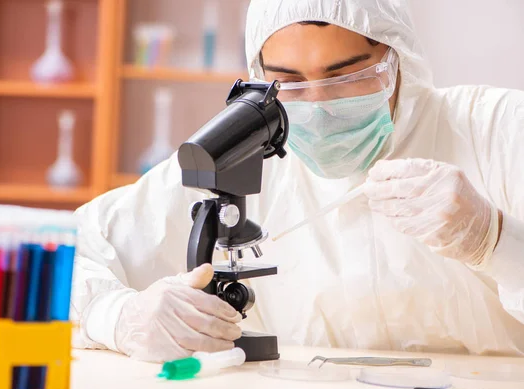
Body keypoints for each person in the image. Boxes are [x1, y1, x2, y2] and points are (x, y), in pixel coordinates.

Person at [71, 0, 524, 363]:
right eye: (287, 83)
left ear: (396, 59)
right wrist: (118, 316)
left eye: (346, 75)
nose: (320, 105)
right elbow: (64, 253)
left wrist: (497, 241)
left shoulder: (498, 130)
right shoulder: (247, 151)